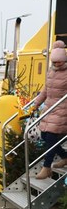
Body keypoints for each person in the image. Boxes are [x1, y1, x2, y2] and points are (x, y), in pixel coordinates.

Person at [33, 40, 67, 179]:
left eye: (59, 62)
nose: (57, 64)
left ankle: (46, 167)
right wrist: (35, 104)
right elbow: (45, 91)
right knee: (44, 136)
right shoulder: (51, 72)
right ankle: (65, 157)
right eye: (55, 62)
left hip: (62, 109)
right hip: (49, 108)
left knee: (52, 137)